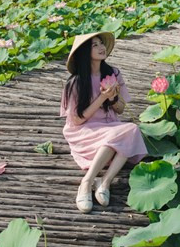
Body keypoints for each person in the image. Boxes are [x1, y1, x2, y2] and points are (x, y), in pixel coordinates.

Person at [60, 32, 148, 213]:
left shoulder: (113, 73)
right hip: (83, 130)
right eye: (95, 45)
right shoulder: (75, 83)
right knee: (117, 137)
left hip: (110, 126)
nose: (101, 47)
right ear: (84, 52)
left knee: (131, 129)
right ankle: (86, 181)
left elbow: (121, 109)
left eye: (101, 43)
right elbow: (76, 120)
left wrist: (113, 98)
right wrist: (102, 97)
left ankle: (105, 182)